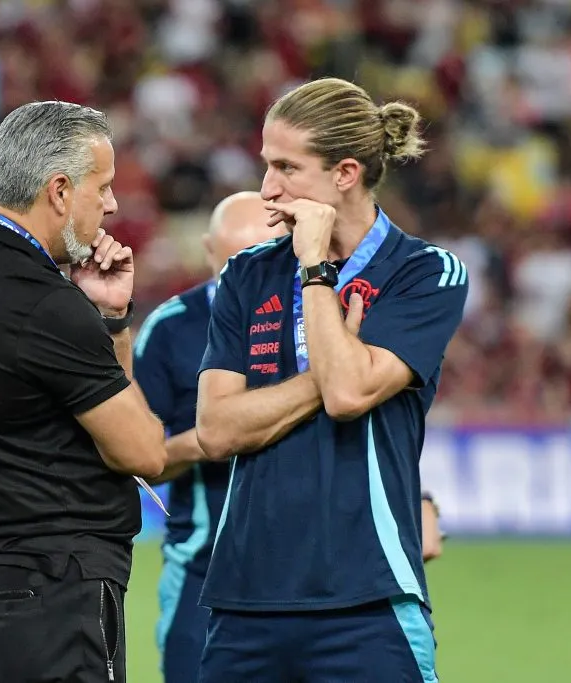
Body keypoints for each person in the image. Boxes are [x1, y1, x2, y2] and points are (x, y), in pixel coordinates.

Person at [195, 77, 468, 682]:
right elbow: (215, 430)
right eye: (266, 165)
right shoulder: (246, 274)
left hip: (367, 600)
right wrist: (344, 357)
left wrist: (315, 270)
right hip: (245, 600)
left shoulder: (425, 273)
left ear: (345, 173)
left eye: (287, 168)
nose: (267, 189)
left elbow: (349, 398)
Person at [0, 101, 167, 683]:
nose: (114, 203)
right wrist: (100, 323)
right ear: (60, 190)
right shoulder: (40, 302)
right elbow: (144, 453)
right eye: (105, 186)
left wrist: (109, 318)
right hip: (53, 593)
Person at [133, 190, 287, 683]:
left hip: (314, 574)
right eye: (236, 262)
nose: (251, 277)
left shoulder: (317, 323)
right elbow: (140, 459)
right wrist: (217, 434)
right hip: (205, 574)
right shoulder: (171, 329)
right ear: (208, 250)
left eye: (267, 257)